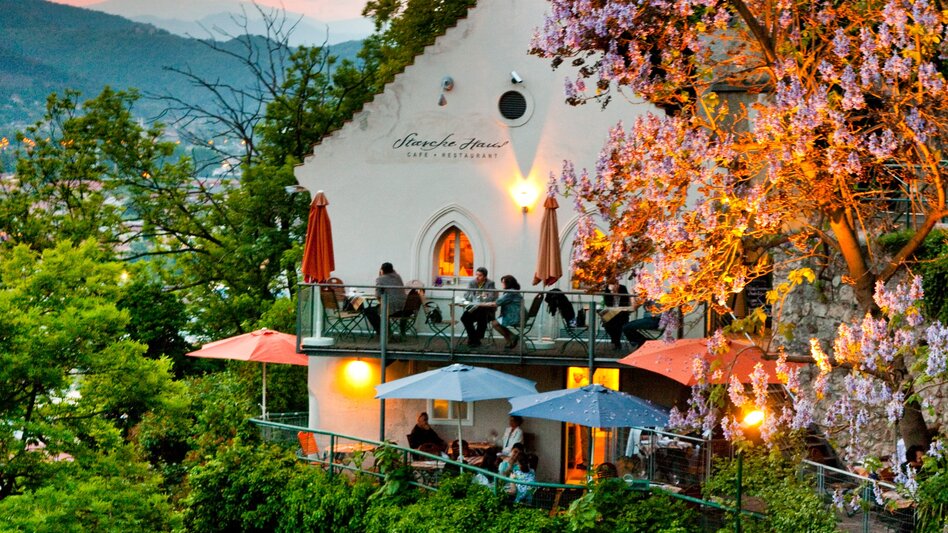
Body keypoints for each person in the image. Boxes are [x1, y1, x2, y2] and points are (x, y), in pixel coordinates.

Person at [364, 262, 407, 334]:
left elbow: (377, 295)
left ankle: (384, 332)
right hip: (404, 308)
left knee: (368, 310)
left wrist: (380, 275)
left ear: (382, 270)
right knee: (379, 309)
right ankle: (398, 332)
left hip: (391, 309)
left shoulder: (380, 279)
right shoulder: (398, 277)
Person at [460, 267, 497, 347]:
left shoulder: (490, 283)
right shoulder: (472, 283)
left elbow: (491, 297)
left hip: (487, 311)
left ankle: (475, 339)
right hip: (474, 308)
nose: (477, 277)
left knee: (482, 312)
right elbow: (466, 295)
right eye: (476, 274)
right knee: (464, 318)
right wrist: (480, 296)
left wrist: (476, 296)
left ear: (485, 277)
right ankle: (474, 338)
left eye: (480, 275)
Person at [488, 275, 524, 349]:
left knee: (494, 323)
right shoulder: (513, 291)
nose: (502, 284)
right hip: (515, 315)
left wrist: (484, 304)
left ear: (508, 283)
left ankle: (511, 336)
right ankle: (509, 340)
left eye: (503, 283)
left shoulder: (510, 292)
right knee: (496, 322)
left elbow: (498, 302)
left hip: (514, 316)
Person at [601, 278, 631, 351]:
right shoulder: (607, 290)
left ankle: (616, 343)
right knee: (606, 324)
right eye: (610, 287)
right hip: (612, 313)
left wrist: (617, 294)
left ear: (617, 284)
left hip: (622, 314)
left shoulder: (623, 289)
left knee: (616, 323)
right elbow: (608, 303)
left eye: (614, 286)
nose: (613, 289)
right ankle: (616, 342)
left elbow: (626, 302)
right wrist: (612, 294)